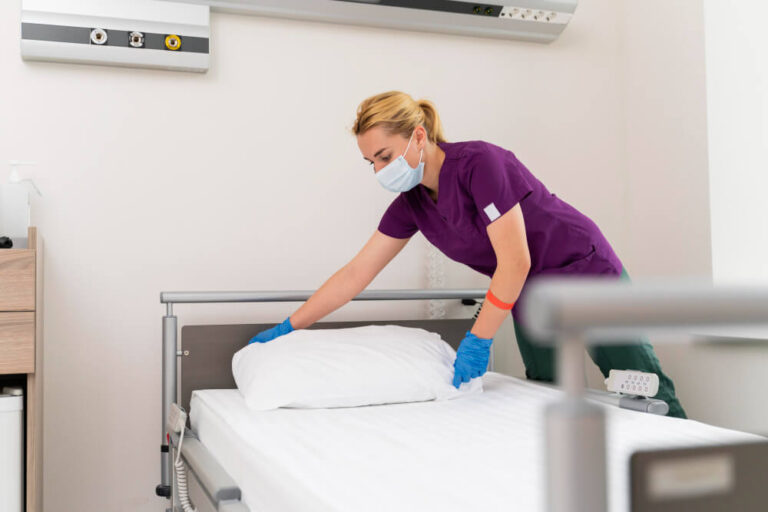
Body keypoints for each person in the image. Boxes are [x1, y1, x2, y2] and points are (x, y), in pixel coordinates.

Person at [248, 91, 686, 419]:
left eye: (384, 156)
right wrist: (291, 325)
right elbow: (356, 274)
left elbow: (515, 260)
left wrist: (478, 338)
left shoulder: (481, 164)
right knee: (548, 393)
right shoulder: (412, 205)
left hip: (583, 269)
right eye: (371, 163)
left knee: (640, 384)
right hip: (530, 292)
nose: (380, 170)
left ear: (418, 135)